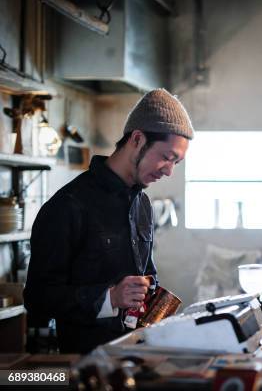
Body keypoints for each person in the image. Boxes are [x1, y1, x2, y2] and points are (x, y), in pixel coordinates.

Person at [24, 89, 194, 353]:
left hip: (137, 352)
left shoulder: (143, 203)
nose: (169, 171)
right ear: (137, 139)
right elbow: (37, 298)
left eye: (177, 162)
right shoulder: (68, 205)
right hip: (85, 361)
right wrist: (109, 297)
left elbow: (146, 274)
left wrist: (155, 300)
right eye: (166, 156)